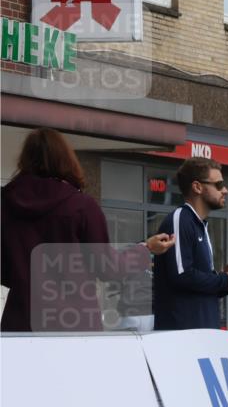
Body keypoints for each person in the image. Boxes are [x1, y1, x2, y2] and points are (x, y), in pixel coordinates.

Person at [1, 128, 175, 332]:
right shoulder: (81, 206)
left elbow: (4, 272)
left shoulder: (5, 204)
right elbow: (109, 268)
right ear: (66, 160)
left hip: (20, 323)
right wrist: (146, 249)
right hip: (73, 325)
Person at [153, 157, 228, 330]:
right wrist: (222, 280)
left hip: (202, 333)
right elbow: (181, 275)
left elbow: (196, 287)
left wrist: (227, 284)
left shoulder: (199, 224)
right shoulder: (181, 219)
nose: (225, 190)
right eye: (218, 185)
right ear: (197, 187)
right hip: (182, 335)